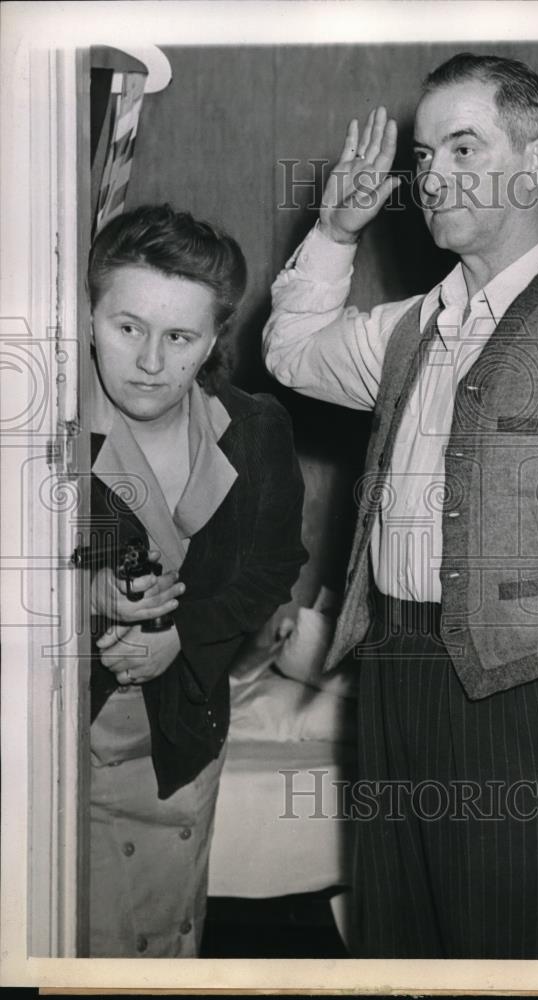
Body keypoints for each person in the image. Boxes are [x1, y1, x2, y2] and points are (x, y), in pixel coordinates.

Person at [262, 54, 538, 959]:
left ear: (537, 158)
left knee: (521, 965)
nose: (432, 177)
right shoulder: (411, 324)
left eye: (465, 147)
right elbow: (292, 351)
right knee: (398, 957)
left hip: (532, 701)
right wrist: (337, 234)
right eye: (424, 156)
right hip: (393, 674)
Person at [85, 204, 307, 957]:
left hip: (183, 734)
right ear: (88, 317)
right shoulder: (40, 428)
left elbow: (275, 568)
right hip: (64, 744)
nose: (151, 360)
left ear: (214, 339)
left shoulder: (254, 427)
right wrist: (87, 599)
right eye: (127, 328)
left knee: (165, 945)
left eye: (179, 337)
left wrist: (180, 638)